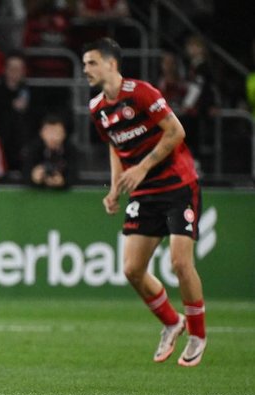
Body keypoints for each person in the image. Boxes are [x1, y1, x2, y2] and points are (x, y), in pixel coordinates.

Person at [82, 38, 207, 367]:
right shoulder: (98, 109)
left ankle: (197, 334)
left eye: (92, 62)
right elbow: (114, 145)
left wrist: (142, 167)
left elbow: (176, 131)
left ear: (111, 64)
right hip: (143, 191)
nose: (85, 69)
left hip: (178, 184)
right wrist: (114, 187)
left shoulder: (141, 93)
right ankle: (171, 322)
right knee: (132, 269)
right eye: (84, 64)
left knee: (181, 263)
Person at [22, 113, 78, 189]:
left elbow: (74, 174)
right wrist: (33, 178)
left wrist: (63, 181)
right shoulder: (32, 149)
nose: (53, 137)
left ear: (64, 134)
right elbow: (24, 172)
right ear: (41, 133)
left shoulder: (71, 150)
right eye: (49, 132)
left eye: (56, 132)